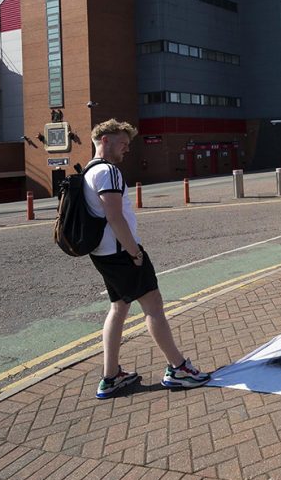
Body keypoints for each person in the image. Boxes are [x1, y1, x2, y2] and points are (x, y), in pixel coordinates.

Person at [84, 119, 210, 399]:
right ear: (105, 141)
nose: (126, 149)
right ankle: (178, 368)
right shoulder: (108, 172)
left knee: (119, 307)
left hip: (103, 254)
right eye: (122, 143)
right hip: (122, 252)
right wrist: (135, 253)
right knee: (153, 305)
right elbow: (114, 217)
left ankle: (111, 375)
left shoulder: (88, 172)